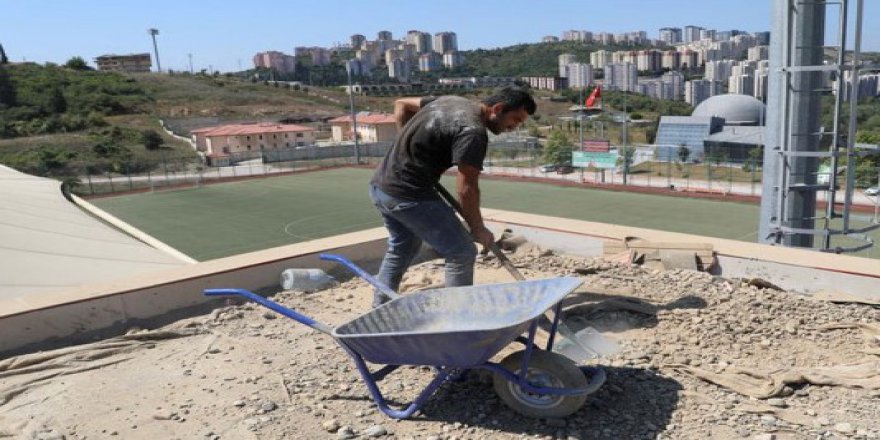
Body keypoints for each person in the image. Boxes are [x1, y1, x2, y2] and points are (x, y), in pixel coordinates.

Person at [368, 86, 536, 307]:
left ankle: (379, 306)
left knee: (403, 247)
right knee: (462, 251)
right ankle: (457, 316)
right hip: (409, 195)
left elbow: (401, 104)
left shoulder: (451, 100)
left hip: (381, 187)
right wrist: (478, 228)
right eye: (515, 119)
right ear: (498, 108)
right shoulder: (473, 132)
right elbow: (467, 187)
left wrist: (406, 145)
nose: (514, 127)